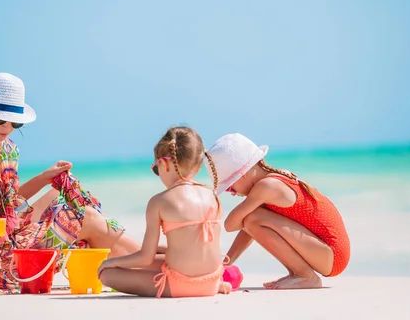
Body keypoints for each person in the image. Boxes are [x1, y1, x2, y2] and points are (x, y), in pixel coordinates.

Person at [0, 72, 140, 291]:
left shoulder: (7, 149)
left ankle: (148, 258)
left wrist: (45, 179)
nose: (6, 128)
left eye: (15, 122)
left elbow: (9, 207)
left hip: (7, 243)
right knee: (86, 219)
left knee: (70, 205)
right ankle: (150, 259)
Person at [97, 127, 232, 298]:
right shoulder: (212, 195)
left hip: (179, 285)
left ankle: (109, 266)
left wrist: (109, 263)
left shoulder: (159, 201)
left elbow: (144, 258)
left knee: (107, 274)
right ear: (197, 167)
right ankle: (217, 286)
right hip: (213, 280)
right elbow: (195, 246)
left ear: (164, 163)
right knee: (156, 255)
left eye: (156, 168)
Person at [205, 133, 350, 289]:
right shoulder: (275, 179)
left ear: (243, 174)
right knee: (252, 219)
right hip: (329, 254)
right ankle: (298, 273)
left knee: (253, 218)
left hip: (332, 256)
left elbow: (230, 225)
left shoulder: (267, 186)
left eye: (229, 187)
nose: (233, 193)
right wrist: (226, 263)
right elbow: (248, 229)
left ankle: (306, 276)